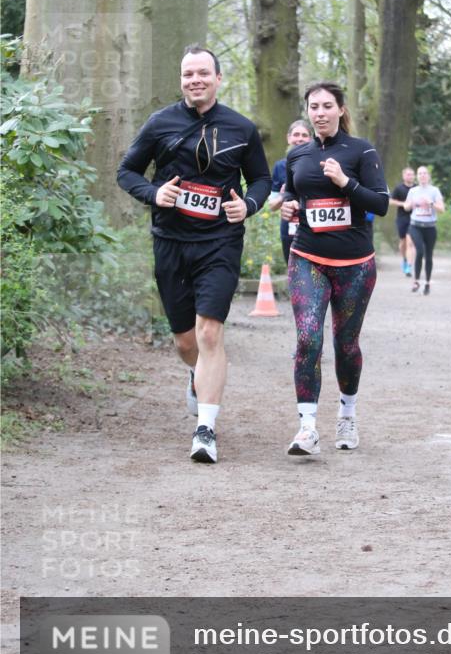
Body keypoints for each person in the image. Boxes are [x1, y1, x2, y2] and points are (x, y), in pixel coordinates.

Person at [117, 44, 271, 463]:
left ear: (218, 78)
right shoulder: (160, 123)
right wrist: (154, 193)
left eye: (203, 73)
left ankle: (205, 429)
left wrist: (249, 205)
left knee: (209, 333)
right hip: (170, 242)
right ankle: (194, 374)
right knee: (186, 341)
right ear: (181, 80)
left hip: (219, 242)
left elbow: (261, 179)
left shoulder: (241, 128)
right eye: (188, 75)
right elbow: (126, 171)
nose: (195, 81)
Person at [280, 81, 389, 456]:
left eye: (327, 106)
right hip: (307, 257)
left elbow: (381, 203)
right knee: (308, 337)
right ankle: (307, 428)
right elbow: (294, 195)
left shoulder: (362, 151)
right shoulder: (298, 155)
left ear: (341, 110)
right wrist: (289, 206)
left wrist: (346, 182)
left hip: (355, 264)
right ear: (307, 112)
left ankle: (347, 412)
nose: (320, 113)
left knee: (346, 344)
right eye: (314, 107)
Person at [268, 120, 311, 263]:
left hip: (313, 224)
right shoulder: (280, 166)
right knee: (293, 271)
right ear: (288, 138)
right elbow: (272, 205)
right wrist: (283, 195)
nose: (300, 138)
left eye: (304, 135)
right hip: (289, 226)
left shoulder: (317, 163)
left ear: (311, 139)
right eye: (296, 134)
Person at [403, 165, 444, 296]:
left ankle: (427, 282)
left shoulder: (434, 190)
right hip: (415, 226)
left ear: (428, 176)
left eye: (425, 173)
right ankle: (416, 281)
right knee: (419, 251)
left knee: (429, 255)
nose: (422, 176)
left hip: (430, 227)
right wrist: (410, 204)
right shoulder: (413, 191)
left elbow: (442, 209)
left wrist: (431, 203)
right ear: (417, 176)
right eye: (420, 173)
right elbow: (406, 207)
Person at [389, 167, 416, 276]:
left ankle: (409, 266)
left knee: (410, 242)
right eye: (408, 174)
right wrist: (403, 204)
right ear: (404, 176)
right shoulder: (399, 188)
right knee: (403, 243)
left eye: (412, 174)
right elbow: (390, 201)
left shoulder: (416, 188)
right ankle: (404, 259)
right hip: (402, 218)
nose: (410, 176)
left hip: (415, 218)